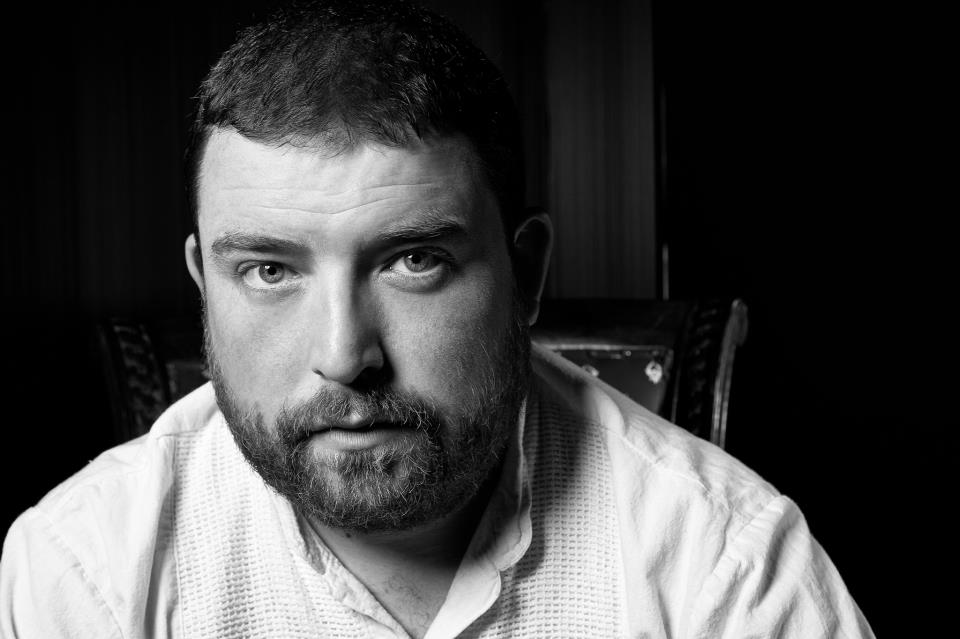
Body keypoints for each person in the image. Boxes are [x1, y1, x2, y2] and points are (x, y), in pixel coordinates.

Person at [0, 1, 874, 637]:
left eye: (414, 260)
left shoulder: (727, 565)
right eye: (269, 270)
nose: (345, 355)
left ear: (526, 274)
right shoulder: (90, 568)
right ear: (204, 287)